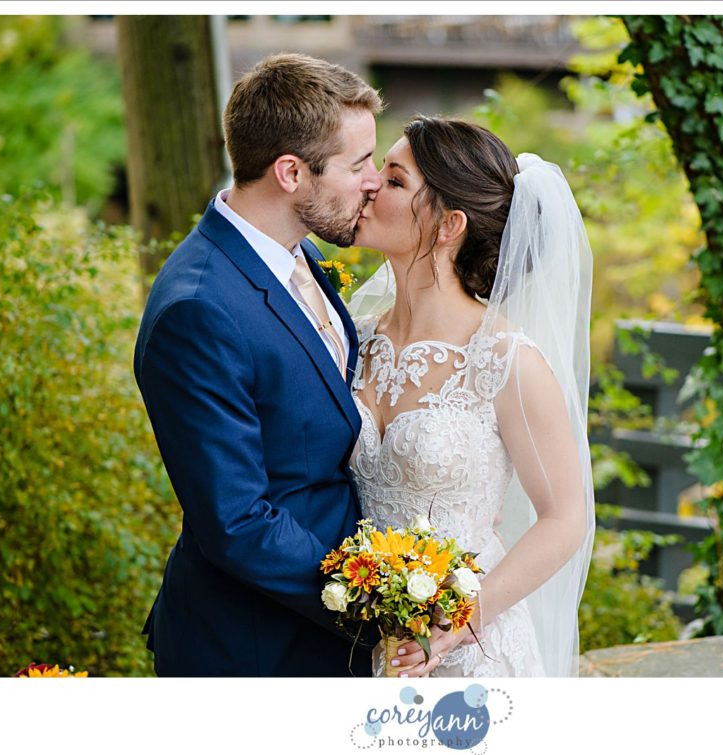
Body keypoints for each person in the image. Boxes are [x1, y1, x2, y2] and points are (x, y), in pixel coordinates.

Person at [133, 53, 383, 676]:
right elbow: (237, 519)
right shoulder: (200, 309)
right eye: (358, 165)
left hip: (319, 641)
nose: (374, 181)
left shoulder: (294, 254)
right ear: (290, 172)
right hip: (253, 650)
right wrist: (377, 602)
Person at [347, 117, 595, 677]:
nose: (368, 185)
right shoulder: (353, 338)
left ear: (448, 223)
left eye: (394, 180)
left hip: (473, 653)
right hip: (362, 638)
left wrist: (456, 624)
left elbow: (565, 518)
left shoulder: (505, 359)